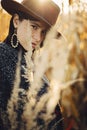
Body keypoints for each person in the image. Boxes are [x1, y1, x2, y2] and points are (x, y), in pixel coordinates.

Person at [0, 0, 64, 129]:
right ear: (16, 21)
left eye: (43, 32)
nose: (38, 38)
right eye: (34, 27)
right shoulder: (1, 56)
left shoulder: (33, 65)